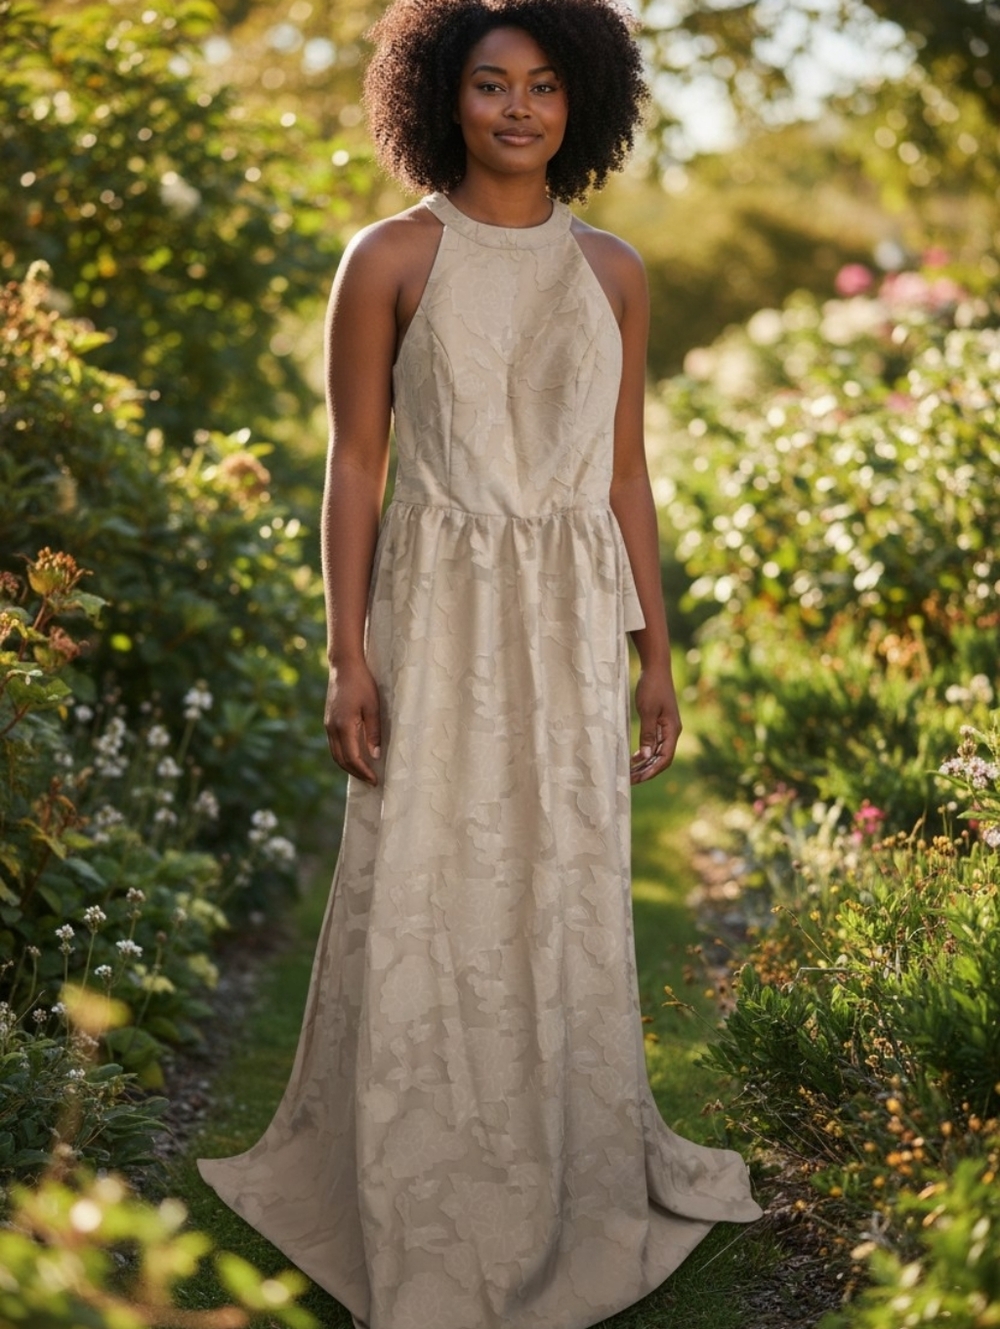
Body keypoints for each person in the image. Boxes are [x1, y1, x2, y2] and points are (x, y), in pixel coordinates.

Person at [197, 1, 763, 1325]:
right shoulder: (391, 257)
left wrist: (655, 653)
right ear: (443, 96)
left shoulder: (614, 267)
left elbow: (627, 473)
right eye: (492, 84)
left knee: (559, 877)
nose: (517, 109)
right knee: (429, 872)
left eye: (546, 86)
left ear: (587, 103)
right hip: (436, 605)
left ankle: (561, 1170)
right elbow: (356, 467)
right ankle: (417, 1171)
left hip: (568, 615)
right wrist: (348, 654)